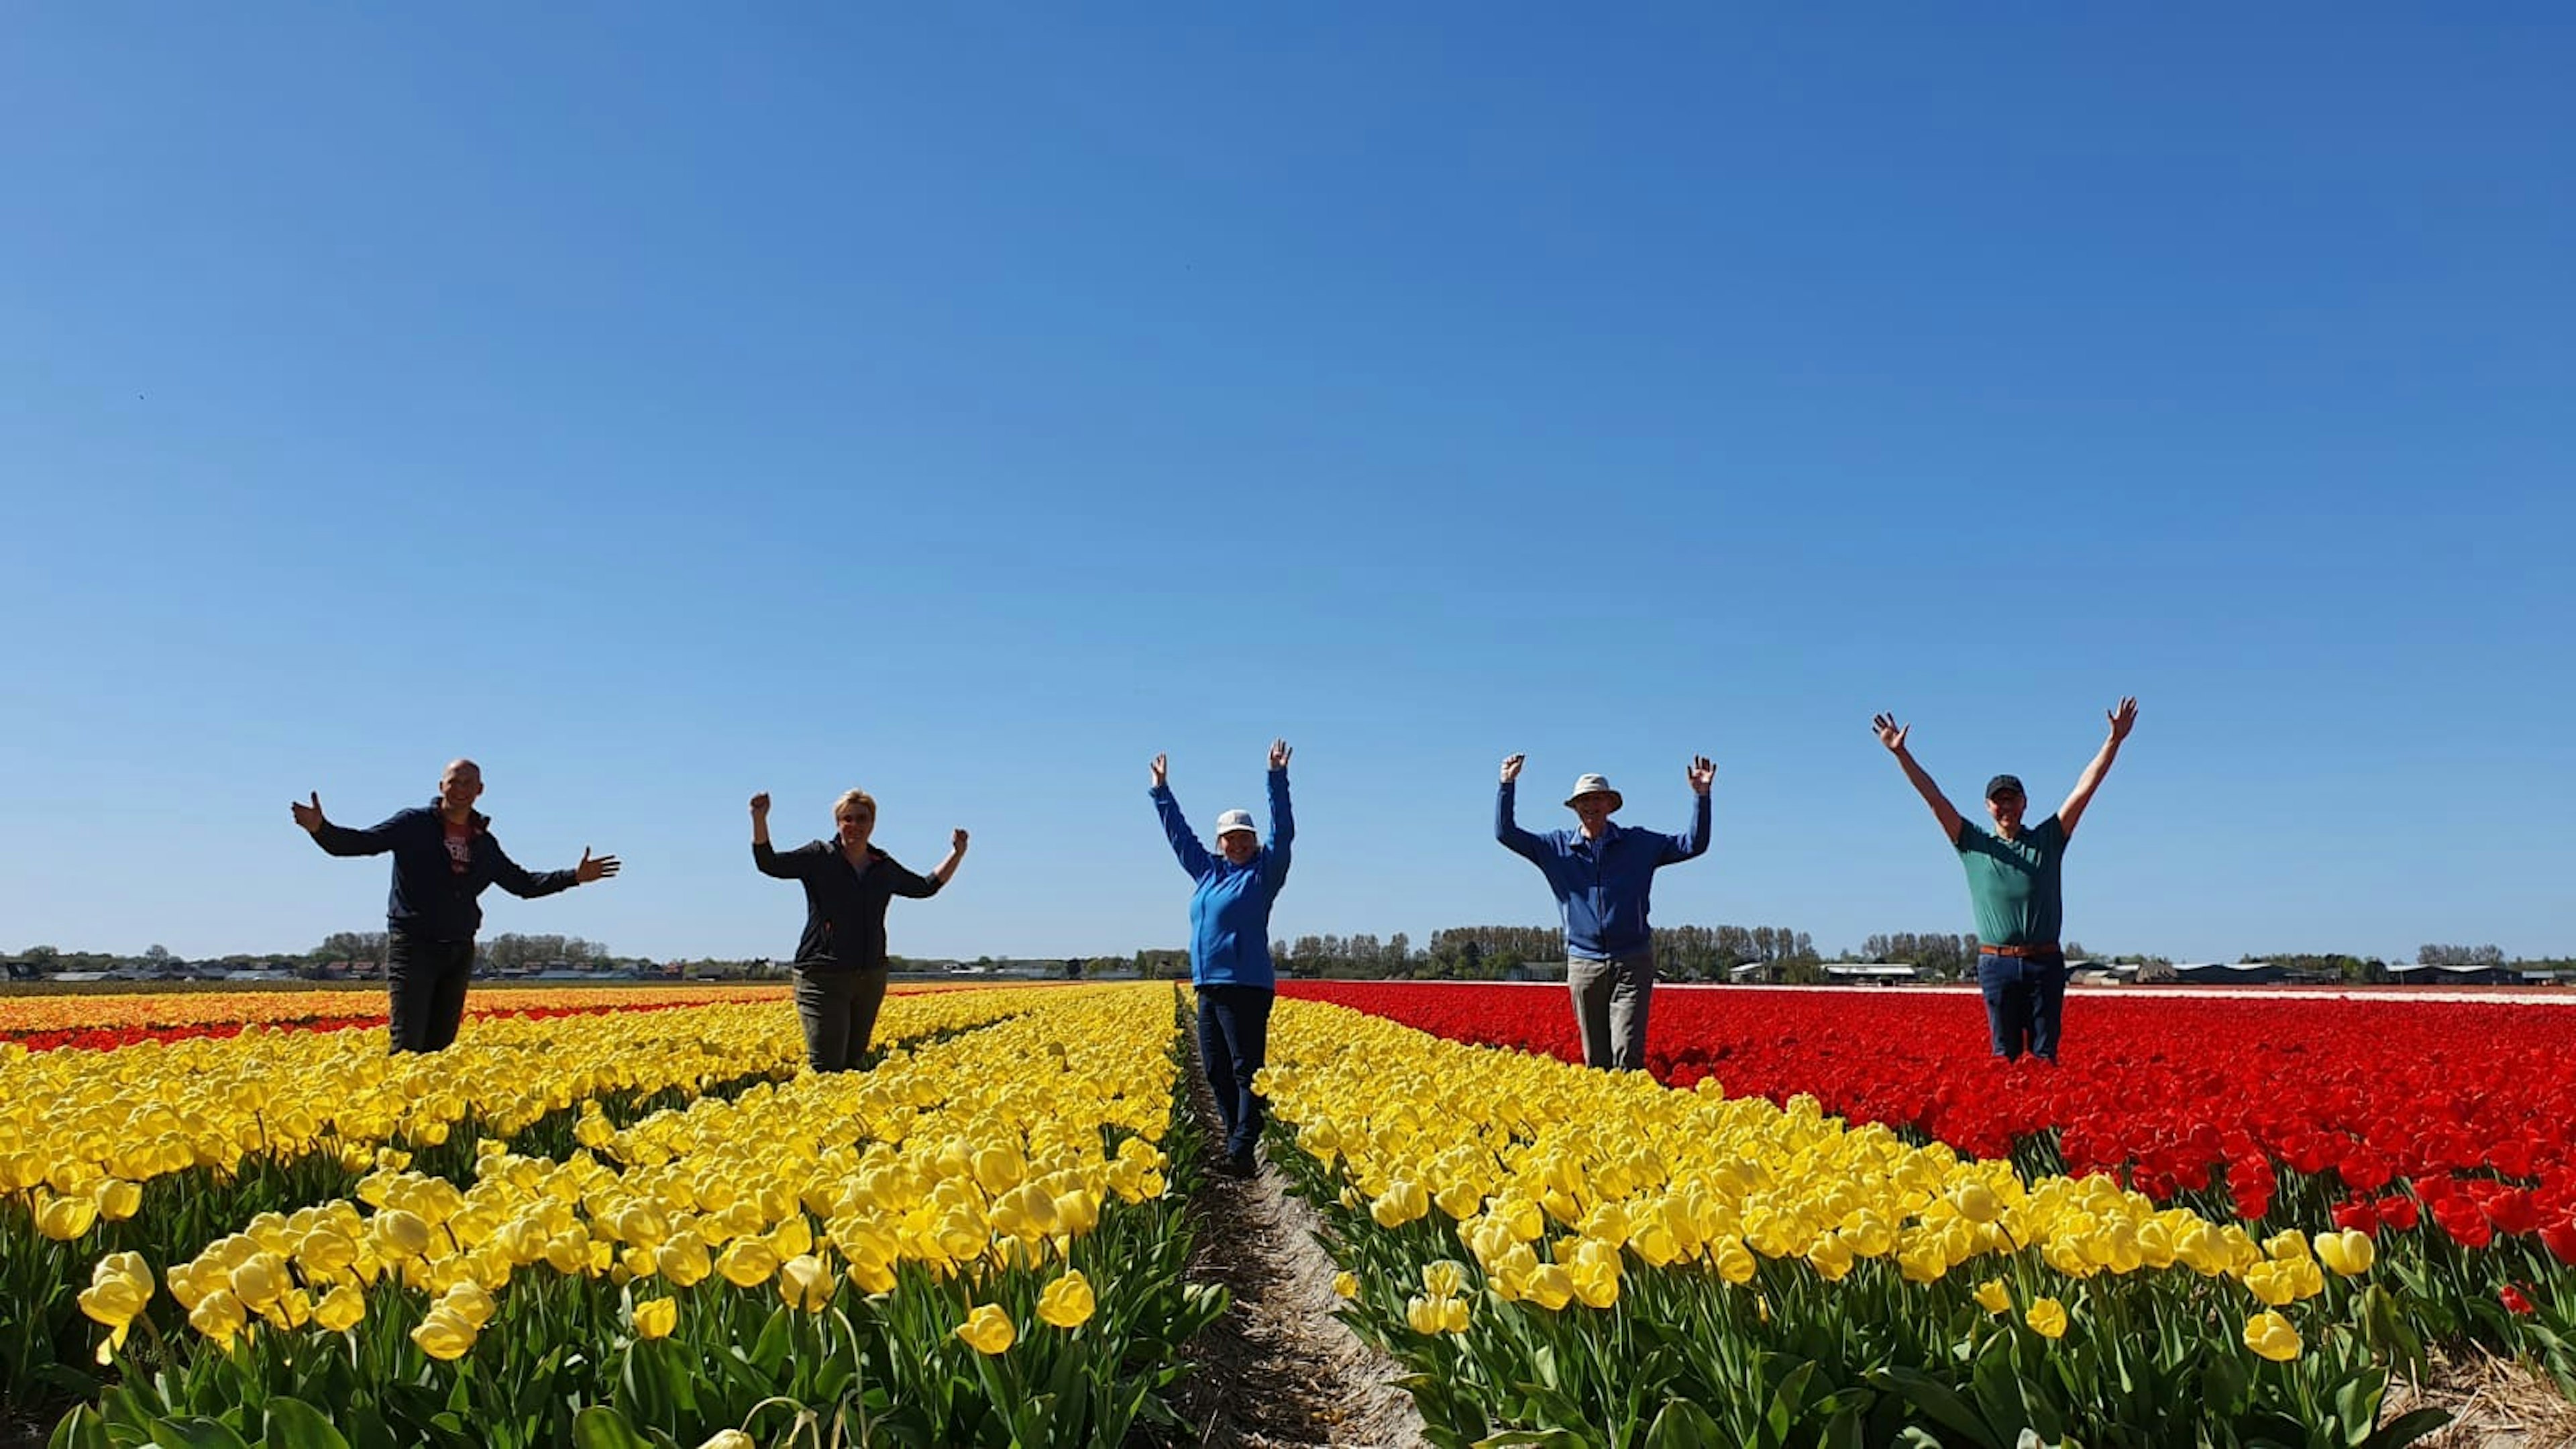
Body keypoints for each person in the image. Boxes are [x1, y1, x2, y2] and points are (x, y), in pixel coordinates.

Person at [1872, 698, 2139, 1063]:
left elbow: (2084, 791)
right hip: (1996, 964)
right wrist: (1901, 754)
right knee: (2004, 1056)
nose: (2006, 807)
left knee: (2045, 1054)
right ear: (1988, 807)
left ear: (2025, 804)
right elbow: (1934, 797)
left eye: (2012, 800)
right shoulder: (1973, 844)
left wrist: (2114, 741)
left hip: (2044, 962)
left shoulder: (2048, 839)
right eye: (1998, 801)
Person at [292, 759, 620, 1053]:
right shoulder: (413, 824)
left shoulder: (484, 843)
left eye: (468, 783)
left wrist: (575, 877)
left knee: (441, 1047)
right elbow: (360, 843)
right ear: (441, 786)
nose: (460, 789)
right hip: (414, 945)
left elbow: (523, 884)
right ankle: (401, 1118)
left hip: (459, 950)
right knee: (407, 1044)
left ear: (480, 790)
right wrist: (321, 829)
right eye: (454, 781)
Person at [1496, 753, 1714, 1071]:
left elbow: (1694, 844)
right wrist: (1507, 784)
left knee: (1627, 1051)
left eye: (1598, 799)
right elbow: (1506, 833)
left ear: (1610, 805)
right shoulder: (1555, 849)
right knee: (1596, 1060)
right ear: (1575, 807)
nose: (1591, 806)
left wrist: (1701, 797)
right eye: (1584, 800)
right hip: (1584, 962)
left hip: (1632, 959)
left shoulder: (1638, 844)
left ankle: (1631, 1110)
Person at [1151, 741, 1293, 1178]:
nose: (1237, 844)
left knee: (1245, 1069)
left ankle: (1240, 1148)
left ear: (1254, 842)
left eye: (1244, 838)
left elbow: (1283, 832)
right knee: (1214, 1071)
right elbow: (1180, 838)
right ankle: (1240, 1148)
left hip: (1246, 984)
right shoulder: (1208, 872)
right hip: (1208, 984)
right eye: (1230, 838)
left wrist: (1276, 778)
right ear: (1221, 842)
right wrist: (1162, 793)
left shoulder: (1263, 873)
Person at [751, 788, 967, 1073]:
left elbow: (925, 887)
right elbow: (770, 864)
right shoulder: (819, 856)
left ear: (872, 822)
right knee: (828, 1066)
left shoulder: (883, 866)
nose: (855, 825)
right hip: (823, 974)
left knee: (854, 1064)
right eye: (847, 818)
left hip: (870, 975)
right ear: (838, 823)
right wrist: (759, 819)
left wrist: (957, 853)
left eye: (862, 818)